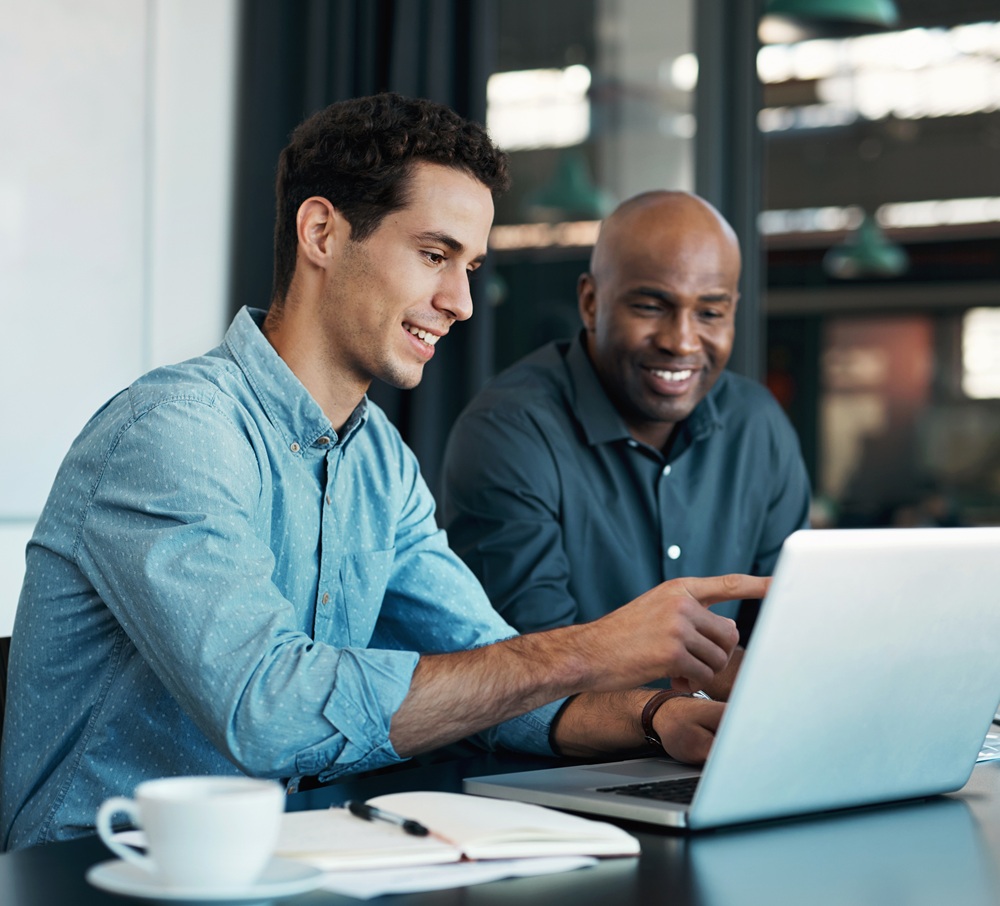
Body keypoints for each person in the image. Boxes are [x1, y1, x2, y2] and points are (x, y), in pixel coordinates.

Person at [0, 96, 766, 851]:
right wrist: (591, 648)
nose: (460, 301)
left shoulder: (379, 464)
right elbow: (270, 714)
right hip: (100, 871)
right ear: (323, 233)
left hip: (287, 861)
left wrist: (654, 717)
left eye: (469, 266)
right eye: (435, 255)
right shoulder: (175, 433)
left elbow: (494, 684)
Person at [441, 190, 810, 674]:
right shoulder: (508, 432)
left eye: (710, 313)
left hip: (722, 742)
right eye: (652, 307)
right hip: (568, 751)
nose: (681, 340)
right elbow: (532, 673)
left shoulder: (756, 424)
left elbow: (787, 634)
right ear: (592, 303)